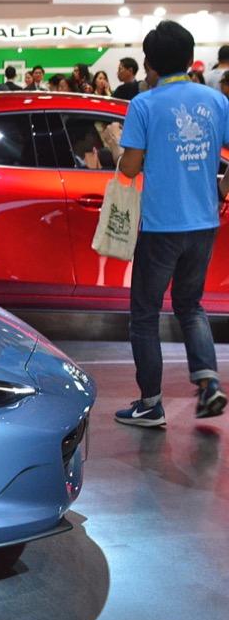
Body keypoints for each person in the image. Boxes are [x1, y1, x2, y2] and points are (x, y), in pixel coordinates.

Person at [114, 21, 229, 427]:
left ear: (149, 63)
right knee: (190, 305)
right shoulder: (216, 101)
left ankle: (150, 404)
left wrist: (118, 149)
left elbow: (129, 167)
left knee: (145, 314)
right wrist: (221, 189)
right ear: (189, 57)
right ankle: (209, 383)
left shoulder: (144, 104)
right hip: (204, 223)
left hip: (161, 227)